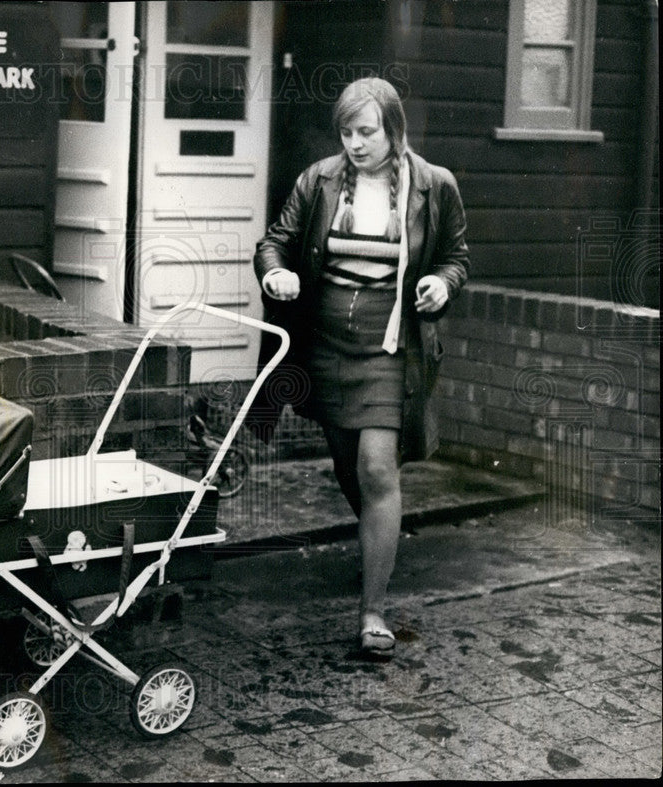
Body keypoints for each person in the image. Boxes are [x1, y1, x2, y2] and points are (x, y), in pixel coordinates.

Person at [252, 77, 469, 657]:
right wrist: (276, 272)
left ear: (394, 127)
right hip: (323, 342)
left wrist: (439, 285)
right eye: (346, 132)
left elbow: (455, 257)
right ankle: (380, 543)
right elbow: (275, 242)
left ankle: (373, 610)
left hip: (390, 344)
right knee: (349, 466)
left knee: (377, 468)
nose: (354, 142)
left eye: (366, 131)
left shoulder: (434, 185)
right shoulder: (317, 180)